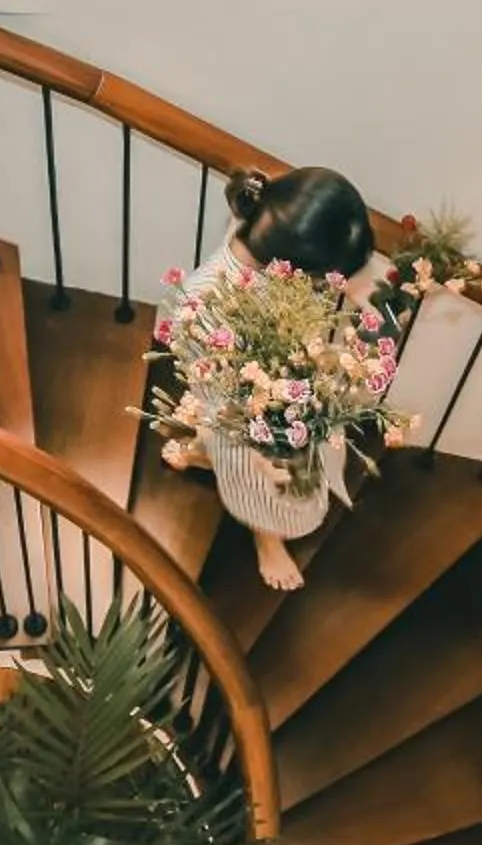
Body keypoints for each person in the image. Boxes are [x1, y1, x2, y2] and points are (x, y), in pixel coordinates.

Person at [158, 165, 380, 592]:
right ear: (293, 266)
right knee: (266, 484)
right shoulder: (207, 310)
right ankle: (266, 536)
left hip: (254, 378)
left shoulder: (260, 226)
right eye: (324, 275)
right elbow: (235, 404)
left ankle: (201, 451)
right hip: (242, 407)